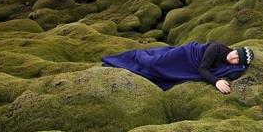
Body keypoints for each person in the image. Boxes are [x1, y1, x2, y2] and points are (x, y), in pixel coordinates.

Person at [101, 41, 254, 94]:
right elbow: (203, 69)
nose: (233, 59)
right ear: (234, 49)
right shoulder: (217, 48)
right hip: (185, 55)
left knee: (163, 77)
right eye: (235, 54)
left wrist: (239, 66)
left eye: (237, 60)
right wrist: (216, 82)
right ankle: (130, 58)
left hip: (190, 65)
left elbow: (236, 70)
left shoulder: (232, 64)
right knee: (153, 63)